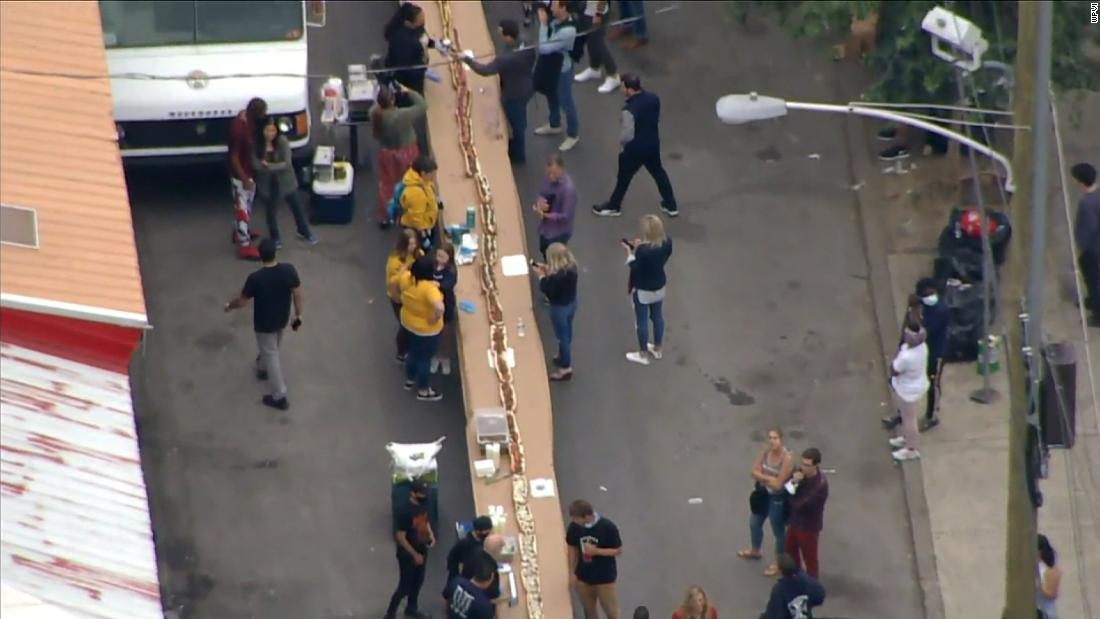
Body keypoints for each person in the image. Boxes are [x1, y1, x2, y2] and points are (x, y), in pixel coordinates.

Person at [223, 238, 302, 411]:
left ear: (260, 255)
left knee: (271, 354)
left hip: (264, 322)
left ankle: (279, 395)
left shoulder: (256, 279)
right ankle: (262, 367)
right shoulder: (288, 271)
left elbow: (242, 302)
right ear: (275, 252)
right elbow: (297, 293)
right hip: (281, 318)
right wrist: (298, 315)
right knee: (272, 348)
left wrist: (229, 306)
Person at [592, 74, 678, 218]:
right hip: (652, 144)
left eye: (622, 86)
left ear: (628, 88)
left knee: (623, 179)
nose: (621, 88)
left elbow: (627, 135)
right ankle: (671, 205)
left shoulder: (629, 109)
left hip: (635, 150)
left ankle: (614, 206)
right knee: (658, 173)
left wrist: (622, 147)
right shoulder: (653, 98)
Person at [459, 18, 536, 164]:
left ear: (507, 36)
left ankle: (519, 155)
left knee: (517, 124)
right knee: (520, 121)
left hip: (513, 93)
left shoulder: (505, 59)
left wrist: (467, 59)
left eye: (501, 33)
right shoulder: (527, 42)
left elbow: (485, 70)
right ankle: (517, 144)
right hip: (526, 86)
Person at [251, 119, 317, 247]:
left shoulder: (282, 142)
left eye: (273, 130)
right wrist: (268, 166)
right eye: (267, 130)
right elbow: (255, 163)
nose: (270, 133)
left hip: (285, 180)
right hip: (267, 183)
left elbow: (286, 163)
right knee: (271, 211)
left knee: (296, 206)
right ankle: (275, 237)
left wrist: (268, 166)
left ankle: (304, 231)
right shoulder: (257, 144)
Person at [738, 428, 794, 577]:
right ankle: (755, 550)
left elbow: (778, 485)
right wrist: (770, 478)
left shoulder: (787, 458)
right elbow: (752, 471)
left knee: (778, 531)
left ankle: (778, 561)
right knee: (754, 522)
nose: (772, 441)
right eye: (769, 438)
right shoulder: (765, 452)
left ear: (781, 439)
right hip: (763, 494)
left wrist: (762, 476)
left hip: (778, 498)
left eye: (775, 438)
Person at [390, 255, 446, 401]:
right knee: (424, 359)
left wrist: (398, 297)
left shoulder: (406, 279)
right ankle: (423, 390)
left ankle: (410, 379)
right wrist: (433, 318)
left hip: (408, 322)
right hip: (427, 330)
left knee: (413, 353)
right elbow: (440, 307)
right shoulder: (429, 290)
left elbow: (393, 282)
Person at [372, 83, 427, 228]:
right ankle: (411, 213)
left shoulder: (374, 114)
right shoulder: (401, 116)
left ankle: (385, 217)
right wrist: (409, 91)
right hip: (406, 152)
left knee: (386, 184)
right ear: (392, 100)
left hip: (386, 153)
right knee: (410, 181)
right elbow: (422, 106)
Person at [623, 215, 672, 366]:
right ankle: (658, 347)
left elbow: (636, 268)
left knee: (641, 321)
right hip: (659, 286)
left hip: (643, 289)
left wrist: (630, 253)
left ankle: (643, 353)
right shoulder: (666, 242)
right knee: (657, 316)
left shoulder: (643, 251)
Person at [534, 1, 580, 152]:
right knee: (551, 94)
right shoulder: (557, 16)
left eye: (554, 6)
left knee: (566, 101)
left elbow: (545, 48)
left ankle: (573, 134)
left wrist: (543, 24)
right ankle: (555, 124)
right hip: (551, 66)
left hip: (562, 69)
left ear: (563, 8)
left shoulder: (568, 31)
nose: (551, 8)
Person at [385, 479, 436, 619]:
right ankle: (390, 614)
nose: (424, 496)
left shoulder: (423, 504)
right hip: (408, 554)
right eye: (421, 493)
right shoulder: (404, 512)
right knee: (405, 586)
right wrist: (414, 555)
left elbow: (425, 521)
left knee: (418, 582)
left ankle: (411, 609)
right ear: (412, 493)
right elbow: (400, 537)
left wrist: (431, 535)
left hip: (422, 548)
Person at [566, 499, 623, 619]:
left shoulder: (607, 527)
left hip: (605, 579)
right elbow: (572, 549)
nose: (575, 522)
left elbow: (618, 550)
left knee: (612, 612)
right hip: (583, 578)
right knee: (589, 611)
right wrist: (571, 572)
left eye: (577, 519)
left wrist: (596, 551)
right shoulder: (574, 528)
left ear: (586, 516)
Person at [227, 97, 267, 260]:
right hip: (241, 174)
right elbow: (234, 157)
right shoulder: (240, 129)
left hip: (247, 170)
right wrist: (244, 179)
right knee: (242, 208)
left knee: (246, 203)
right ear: (255, 113)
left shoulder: (246, 119)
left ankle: (240, 231)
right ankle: (243, 245)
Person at [534, 243, 579, 381]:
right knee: (567, 331)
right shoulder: (572, 268)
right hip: (571, 303)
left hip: (559, 308)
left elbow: (547, 289)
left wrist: (541, 276)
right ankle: (562, 355)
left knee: (562, 337)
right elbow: (558, 274)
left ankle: (566, 368)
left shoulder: (557, 278)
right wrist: (548, 270)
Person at [888, 321, 929, 462]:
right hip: (917, 385)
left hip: (908, 391)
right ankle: (906, 438)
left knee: (909, 420)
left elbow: (894, 369)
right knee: (907, 418)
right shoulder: (923, 347)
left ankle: (911, 449)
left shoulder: (907, 357)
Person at [784, 448, 828, 579]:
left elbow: (799, 504)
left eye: (807, 465)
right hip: (795, 522)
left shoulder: (820, 485)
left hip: (809, 526)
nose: (803, 467)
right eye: (802, 463)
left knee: (810, 558)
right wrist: (793, 482)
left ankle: (812, 585)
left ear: (816, 465)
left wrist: (792, 488)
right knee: (790, 551)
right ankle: (795, 576)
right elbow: (786, 487)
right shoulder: (799, 474)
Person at [387, 229, 423, 364]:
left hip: (412, 295)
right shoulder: (395, 261)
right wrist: (404, 270)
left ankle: (411, 346)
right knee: (404, 325)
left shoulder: (418, 254)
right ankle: (401, 351)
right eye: (410, 244)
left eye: (415, 244)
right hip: (398, 298)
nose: (413, 247)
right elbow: (391, 282)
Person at [1071, 162, 1100, 327]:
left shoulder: (1086, 204)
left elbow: (1088, 228)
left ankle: (1098, 313)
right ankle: (1093, 300)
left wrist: (1081, 244)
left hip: (1093, 250)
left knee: (1093, 280)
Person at [534, 153, 578, 258]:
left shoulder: (568, 190)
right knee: (544, 251)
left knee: (555, 260)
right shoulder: (548, 179)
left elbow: (565, 216)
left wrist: (547, 216)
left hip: (559, 233)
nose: (550, 176)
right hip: (546, 229)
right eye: (549, 173)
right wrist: (540, 203)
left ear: (561, 169)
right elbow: (542, 193)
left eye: (554, 173)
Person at [573, 1, 621, 94]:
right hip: (586, 9)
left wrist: (598, 13)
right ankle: (595, 68)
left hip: (596, 11)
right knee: (591, 41)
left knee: (598, 43)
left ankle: (613, 75)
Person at [759, 554, 826, 619]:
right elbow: (820, 595)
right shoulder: (805, 581)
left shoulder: (779, 589)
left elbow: (776, 613)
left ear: (780, 570)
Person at [384, 3, 429, 95]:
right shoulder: (400, 40)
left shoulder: (417, 28)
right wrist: (421, 70)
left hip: (417, 70)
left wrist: (435, 43)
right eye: (419, 20)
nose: (423, 21)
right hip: (408, 78)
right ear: (408, 23)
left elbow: (423, 37)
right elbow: (403, 67)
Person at [399, 155, 441, 247]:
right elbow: (416, 218)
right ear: (423, 173)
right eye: (431, 174)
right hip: (420, 229)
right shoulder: (416, 193)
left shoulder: (422, 181)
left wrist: (438, 204)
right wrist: (423, 234)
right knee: (423, 250)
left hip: (427, 223)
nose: (433, 176)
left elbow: (432, 194)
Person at [431, 243, 458, 376]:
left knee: (446, 334)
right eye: (438, 255)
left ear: (449, 257)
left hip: (446, 305)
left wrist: (438, 285)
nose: (439, 258)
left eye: (443, 256)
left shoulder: (451, 271)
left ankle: (445, 357)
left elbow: (448, 285)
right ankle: (436, 356)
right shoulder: (433, 267)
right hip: (433, 306)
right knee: (435, 333)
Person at [445, 516, 494, 585]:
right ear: (478, 531)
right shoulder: (466, 544)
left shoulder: (480, 539)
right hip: (464, 577)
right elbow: (454, 560)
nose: (490, 534)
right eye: (487, 532)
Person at [1037, 534, 1062, 619]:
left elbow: (1052, 593)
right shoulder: (1033, 565)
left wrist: (1036, 586)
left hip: (1046, 614)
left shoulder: (1050, 569)